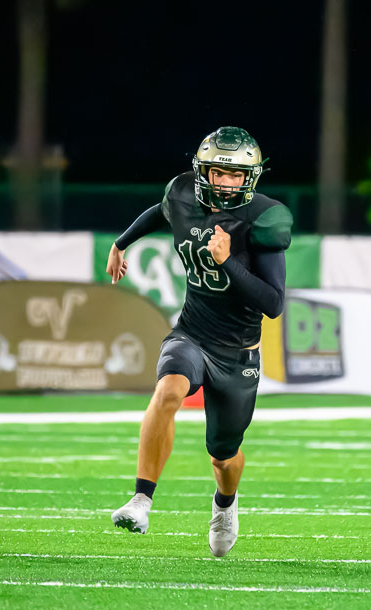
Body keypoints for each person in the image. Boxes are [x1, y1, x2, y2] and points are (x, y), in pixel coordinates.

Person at [107, 126, 292, 558]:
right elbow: (162, 212)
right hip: (191, 332)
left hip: (238, 353)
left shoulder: (264, 219)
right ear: (202, 171)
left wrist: (228, 262)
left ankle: (225, 504)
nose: (226, 183)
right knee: (168, 390)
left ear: (250, 177)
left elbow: (273, 303)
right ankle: (141, 500)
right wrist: (121, 243)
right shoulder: (182, 193)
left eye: (236, 175)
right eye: (218, 173)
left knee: (223, 457)